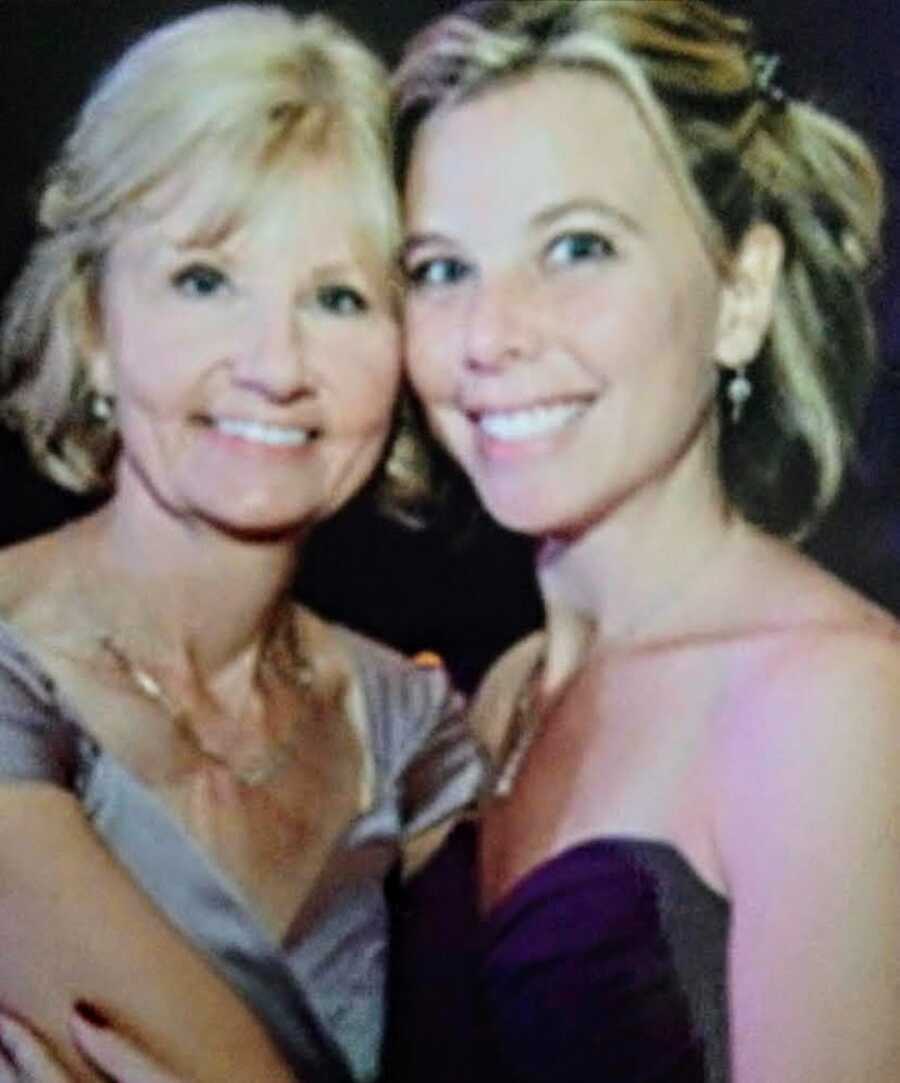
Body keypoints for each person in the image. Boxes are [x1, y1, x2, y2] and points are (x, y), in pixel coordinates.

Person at [3, 0, 899, 1081]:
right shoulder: (490, 705)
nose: (489, 336)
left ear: (741, 294)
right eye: (440, 270)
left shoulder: (825, 705)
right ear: (92, 327)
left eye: (578, 247)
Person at [0, 5, 482, 1083]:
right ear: (91, 325)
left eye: (338, 298)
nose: (274, 363)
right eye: (204, 281)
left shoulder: (414, 735)